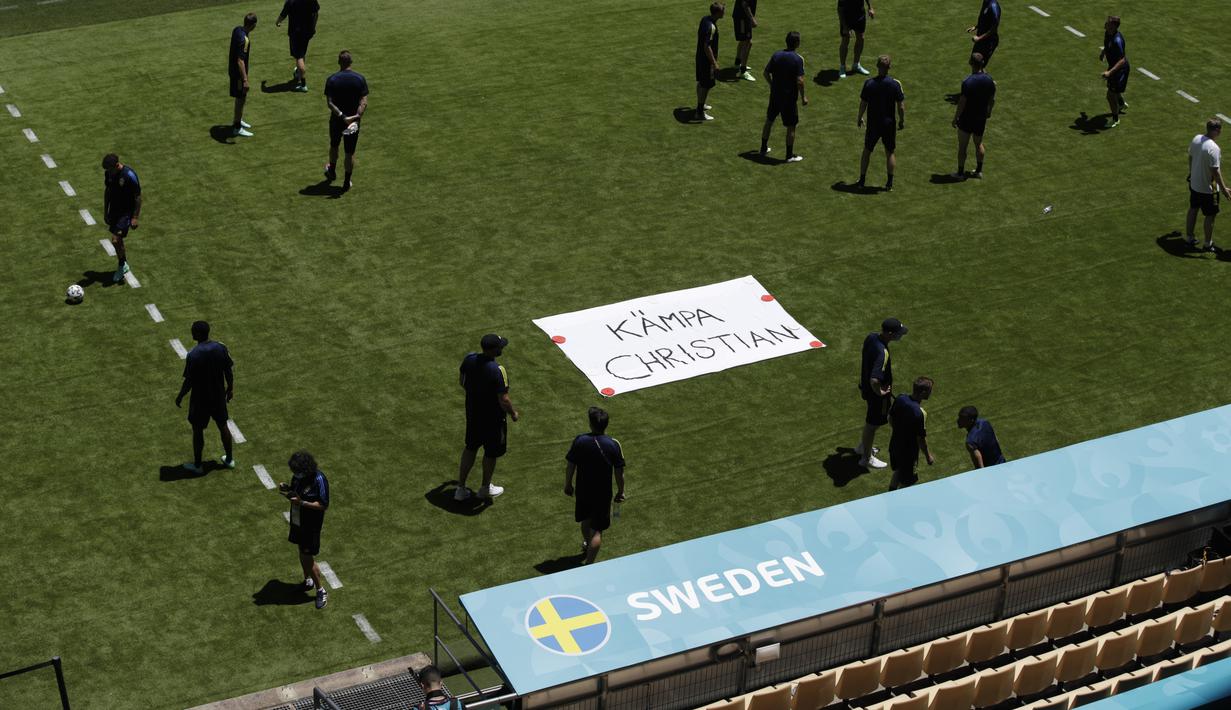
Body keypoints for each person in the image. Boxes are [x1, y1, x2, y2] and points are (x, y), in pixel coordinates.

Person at [455, 334, 519, 501]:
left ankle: (460, 488)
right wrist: (513, 413)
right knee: (491, 453)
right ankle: (485, 488)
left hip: (473, 415)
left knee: (470, 448)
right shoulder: (498, 370)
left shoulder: (469, 359)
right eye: (500, 347)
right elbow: (503, 399)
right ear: (493, 350)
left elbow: (462, 381)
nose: (502, 348)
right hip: (493, 420)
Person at [564, 407, 627, 565]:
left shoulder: (580, 440)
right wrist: (621, 491)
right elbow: (619, 473)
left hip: (583, 490)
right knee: (597, 530)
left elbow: (571, 465)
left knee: (585, 521)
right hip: (602, 494)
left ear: (591, 424)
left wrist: (568, 484)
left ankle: (588, 544)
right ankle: (589, 564)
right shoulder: (613, 444)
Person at [175, 321, 235, 474]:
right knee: (223, 425)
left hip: (200, 399)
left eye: (193, 331)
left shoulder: (193, 355)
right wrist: (230, 387)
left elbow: (189, 381)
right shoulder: (221, 347)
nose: (192, 333)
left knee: (197, 430)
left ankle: (197, 465)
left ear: (198, 334)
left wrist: (181, 395)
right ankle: (229, 459)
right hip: (218, 396)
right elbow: (228, 370)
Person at [855, 317, 908, 470]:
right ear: (890, 333)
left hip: (865, 388)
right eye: (898, 333)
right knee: (873, 424)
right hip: (876, 396)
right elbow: (874, 379)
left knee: (872, 423)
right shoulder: (882, 352)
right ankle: (866, 458)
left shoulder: (871, 337)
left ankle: (863, 447)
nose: (901, 335)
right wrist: (880, 392)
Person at [280, 450, 330, 610]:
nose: (295, 474)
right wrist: (288, 490)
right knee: (301, 550)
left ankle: (321, 590)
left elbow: (323, 505)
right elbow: (297, 493)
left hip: (311, 525)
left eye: (297, 471)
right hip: (298, 520)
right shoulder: (297, 476)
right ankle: (307, 581)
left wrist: (302, 503)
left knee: (307, 556)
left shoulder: (319, 479)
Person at [856, 55, 904, 191]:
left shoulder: (869, 83)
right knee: (890, 152)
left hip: (873, 123)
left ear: (877, 66)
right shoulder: (895, 84)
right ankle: (889, 184)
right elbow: (901, 106)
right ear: (889, 67)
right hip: (889, 123)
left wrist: (859, 117)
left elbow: (863, 103)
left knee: (867, 151)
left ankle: (862, 180)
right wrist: (901, 120)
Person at [323, 50, 369, 191]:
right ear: (351, 62)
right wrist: (356, 116)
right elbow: (364, 102)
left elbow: (330, 103)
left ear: (339, 62)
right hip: (353, 123)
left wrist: (343, 116)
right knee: (350, 152)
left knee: (334, 145)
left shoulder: (332, 79)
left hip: (337, 120)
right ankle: (346, 181)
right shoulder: (360, 79)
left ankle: (332, 170)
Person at [759, 31, 808, 162]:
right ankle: (789, 155)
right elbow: (800, 81)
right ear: (797, 43)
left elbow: (765, 73)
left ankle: (763, 148)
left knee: (769, 121)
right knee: (791, 126)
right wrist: (803, 97)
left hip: (775, 96)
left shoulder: (776, 55)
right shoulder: (798, 59)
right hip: (789, 99)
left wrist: (772, 85)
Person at [1187, 119, 1231, 252]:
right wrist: (1224, 190)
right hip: (1208, 190)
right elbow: (1216, 173)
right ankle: (1208, 243)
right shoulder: (1214, 148)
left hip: (1194, 184)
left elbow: (1190, 156)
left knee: (1193, 209)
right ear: (1217, 130)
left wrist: (1191, 173)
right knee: (1210, 215)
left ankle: (1189, 237)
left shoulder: (1196, 139)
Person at [951, 52, 996, 178]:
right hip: (980, 118)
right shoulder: (990, 80)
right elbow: (992, 100)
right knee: (978, 143)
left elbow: (962, 103)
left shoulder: (967, 82)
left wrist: (955, 118)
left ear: (971, 63)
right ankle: (979, 171)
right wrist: (989, 112)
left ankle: (960, 173)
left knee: (963, 146)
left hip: (967, 118)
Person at [100, 153, 141, 282]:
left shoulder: (129, 175)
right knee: (118, 240)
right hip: (114, 210)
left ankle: (122, 265)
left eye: (109, 169)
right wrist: (106, 211)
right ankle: (123, 264)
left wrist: (135, 217)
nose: (108, 172)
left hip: (126, 212)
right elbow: (108, 191)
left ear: (117, 165)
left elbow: (138, 197)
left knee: (116, 240)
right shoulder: (109, 174)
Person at [888, 377, 934, 491]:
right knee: (907, 483)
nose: (931, 393)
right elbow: (921, 439)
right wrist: (928, 456)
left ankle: (890, 496)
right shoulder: (919, 413)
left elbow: (890, 417)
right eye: (930, 390)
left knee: (899, 471)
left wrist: (898, 431)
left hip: (894, 446)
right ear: (923, 392)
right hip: (908, 454)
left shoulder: (900, 398)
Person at [275, 0, 320, 92]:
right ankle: (298, 73)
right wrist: (313, 28)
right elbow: (316, 12)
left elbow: (283, 14)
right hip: (307, 32)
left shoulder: (290, 1)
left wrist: (278, 22)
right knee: (302, 52)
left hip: (296, 33)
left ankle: (303, 85)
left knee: (298, 56)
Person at [228, 13, 257, 137]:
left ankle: (238, 120)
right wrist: (245, 79)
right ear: (253, 25)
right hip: (239, 74)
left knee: (241, 97)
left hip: (233, 71)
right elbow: (240, 61)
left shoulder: (237, 29)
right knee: (240, 98)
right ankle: (237, 127)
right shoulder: (244, 40)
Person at [695, 3, 725, 121]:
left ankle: (701, 105)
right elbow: (707, 46)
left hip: (700, 57)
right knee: (706, 85)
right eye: (723, 11)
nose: (724, 13)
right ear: (717, 13)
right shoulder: (711, 27)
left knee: (701, 83)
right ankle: (699, 112)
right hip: (706, 61)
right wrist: (714, 63)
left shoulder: (705, 19)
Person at [1099, 16, 1128, 128]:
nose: (1106, 23)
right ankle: (1121, 104)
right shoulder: (1108, 33)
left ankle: (1115, 120)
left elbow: (1122, 60)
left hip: (1119, 70)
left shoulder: (1118, 40)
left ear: (1114, 26)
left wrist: (1110, 72)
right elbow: (1107, 44)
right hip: (1113, 67)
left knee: (1110, 96)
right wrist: (1103, 52)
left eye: (1108, 23)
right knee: (1113, 90)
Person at [837, 0, 874, 78]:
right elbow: (840, 8)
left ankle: (856, 65)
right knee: (845, 40)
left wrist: (870, 8)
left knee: (861, 38)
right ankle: (842, 67)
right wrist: (844, 26)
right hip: (847, 16)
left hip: (860, 15)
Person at [966, 0, 1000, 66]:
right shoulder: (986, 2)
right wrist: (976, 27)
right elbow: (985, 19)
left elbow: (993, 29)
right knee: (973, 62)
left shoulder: (994, 7)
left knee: (980, 65)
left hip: (989, 42)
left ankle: (984, 76)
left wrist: (979, 38)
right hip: (981, 40)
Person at [732, 0, 757, 82]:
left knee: (743, 41)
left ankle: (737, 63)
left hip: (742, 17)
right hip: (742, 18)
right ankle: (743, 71)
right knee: (748, 42)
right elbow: (745, 4)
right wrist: (752, 18)